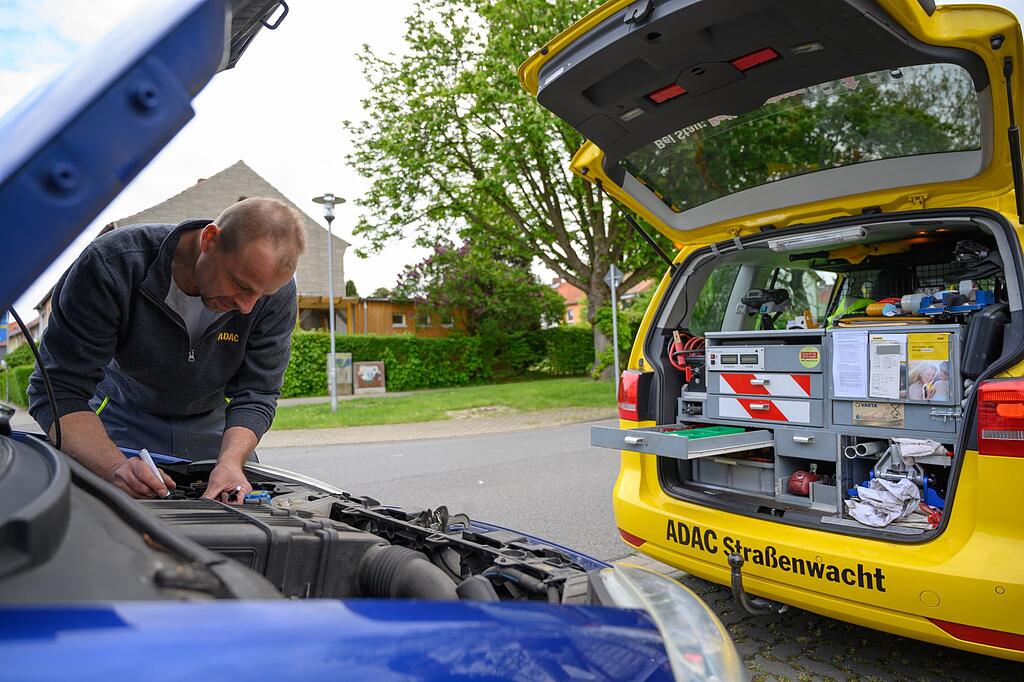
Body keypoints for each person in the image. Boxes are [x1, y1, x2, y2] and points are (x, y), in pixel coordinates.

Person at [28, 197, 305, 502]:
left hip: (214, 422)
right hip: (122, 414)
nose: (247, 307)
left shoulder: (276, 294)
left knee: (237, 510)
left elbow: (257, 391)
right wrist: (113, 466)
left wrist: (230, 462)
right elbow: (58, 390)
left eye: (262, 294)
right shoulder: (114, 264)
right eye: (240, 284)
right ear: (210, 240)